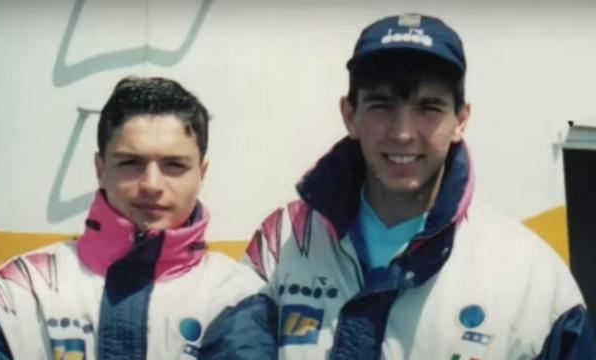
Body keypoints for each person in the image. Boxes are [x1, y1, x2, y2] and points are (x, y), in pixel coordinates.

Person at [241, 13, 596, 359]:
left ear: (460, 120)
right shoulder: (281, 243)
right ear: (350, 116)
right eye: (381, 105)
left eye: (429, 107)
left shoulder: (533, 277)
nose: (403, 133)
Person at [0, 76, 270, 359]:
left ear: (201, 174)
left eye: (174, 165)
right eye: (130, 163)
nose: (151, 184)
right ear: (100, 168)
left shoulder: (236, 296)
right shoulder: (17, 291)